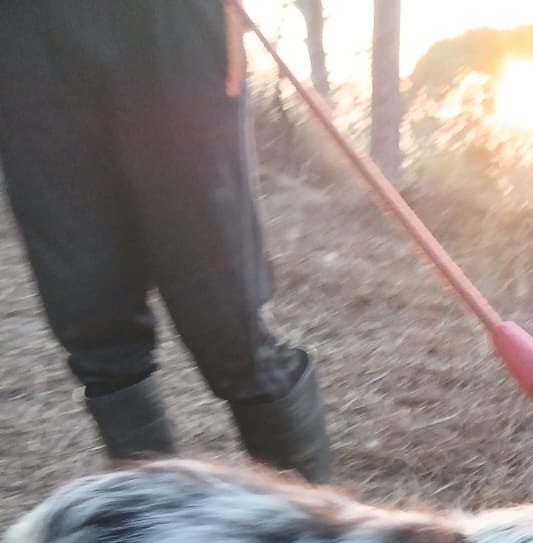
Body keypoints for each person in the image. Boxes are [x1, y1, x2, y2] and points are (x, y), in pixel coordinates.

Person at [0, 0, 331, 481]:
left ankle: (313, 537)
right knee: (90, 314)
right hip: (25, 31)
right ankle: (157, 528)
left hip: (169, 22)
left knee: (227, 317)